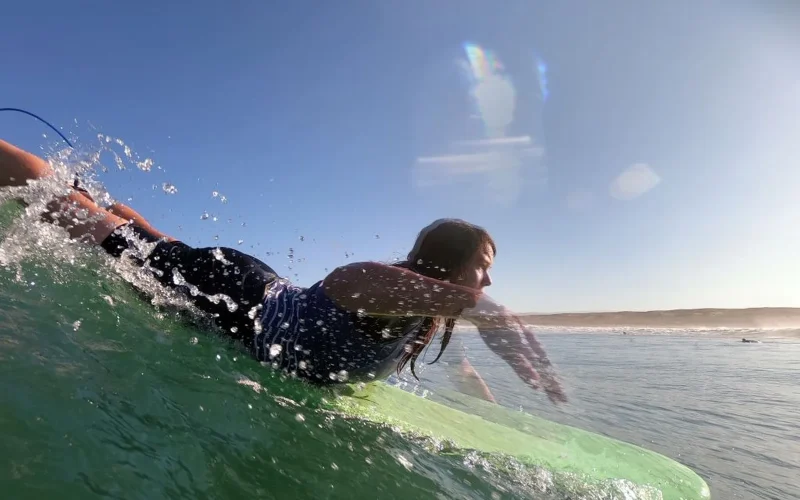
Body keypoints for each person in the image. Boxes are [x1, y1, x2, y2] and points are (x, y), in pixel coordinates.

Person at [0, 139, 566, 404]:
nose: (486, 282)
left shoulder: (421, 321)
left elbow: (465, 364)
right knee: (72, 216)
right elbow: (355, 283)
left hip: (259, 287)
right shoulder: (380, 289)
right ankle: (49, 181)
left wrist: (500, 404)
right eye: (480, 270)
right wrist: (485, 311)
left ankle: (102, 203)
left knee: (151, 242)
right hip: (238, 294)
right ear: (447, 266)